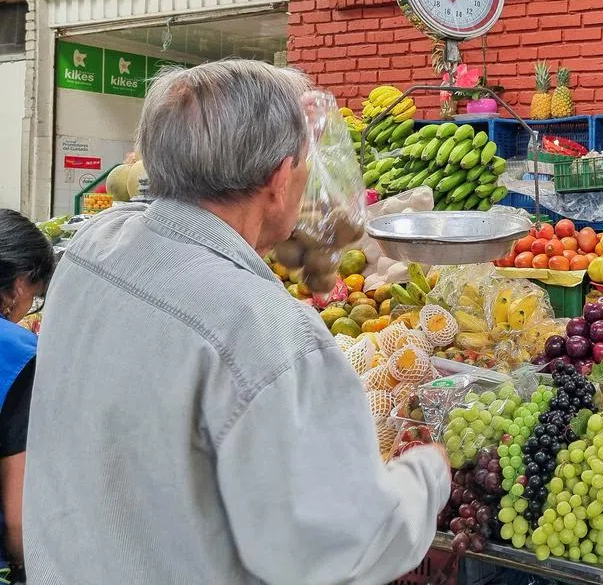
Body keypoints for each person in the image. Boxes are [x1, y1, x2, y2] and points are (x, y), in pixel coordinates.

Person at [25, 61, 450, 584]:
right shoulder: (263, 330)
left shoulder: (94, 247)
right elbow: (343, 546)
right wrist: (427, 474)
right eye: (302, 167)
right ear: (277, 180)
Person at [0, 210, 53, 581]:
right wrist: (24, 566)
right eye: (33, 298)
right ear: (18, 285)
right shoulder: (16, 351)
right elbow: (17, 511)